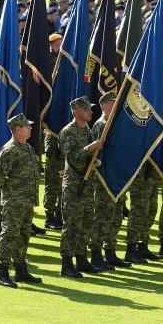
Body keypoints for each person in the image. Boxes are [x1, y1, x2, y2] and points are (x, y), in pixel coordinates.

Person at [0, 114, 42, 288]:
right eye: (27, 126)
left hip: (27, 201)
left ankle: (20, 269)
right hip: (14, 202)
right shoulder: (9, 150)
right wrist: (11, 192)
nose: (31, 128)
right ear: (18, 130)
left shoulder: (27, 148)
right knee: (9, 234)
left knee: (23, 235)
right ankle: (2, 272)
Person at [58, 96, 104, 278]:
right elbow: (74, 157)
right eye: (86, 109)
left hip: (88, 185)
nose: (91, 112)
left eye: (90, 109)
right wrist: (91, 148)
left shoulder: (88, 131)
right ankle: (67, 263)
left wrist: (96, 156)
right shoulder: (67, 132)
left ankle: (81, 258)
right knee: (72, 224)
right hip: (74, 185)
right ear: (76, 112)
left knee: (86, 223)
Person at [90, 91, 131, 269]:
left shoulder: (115, 124)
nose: (117, 106)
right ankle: (96, 254)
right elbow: (98, 154)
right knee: (103, 218)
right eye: (113, 103)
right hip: (104, 180)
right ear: (105, 105)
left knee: (116, 217)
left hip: (117, 178)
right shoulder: (101, 125)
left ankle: (110, 252)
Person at [44, 32, 64, 230]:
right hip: (52, 130)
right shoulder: (47, 60)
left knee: (63, 175)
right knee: (52, 177)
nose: (59, 44)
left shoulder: (64, 60)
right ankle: (50, 213)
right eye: (55, 42)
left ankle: (60, 212)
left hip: (65, 129)